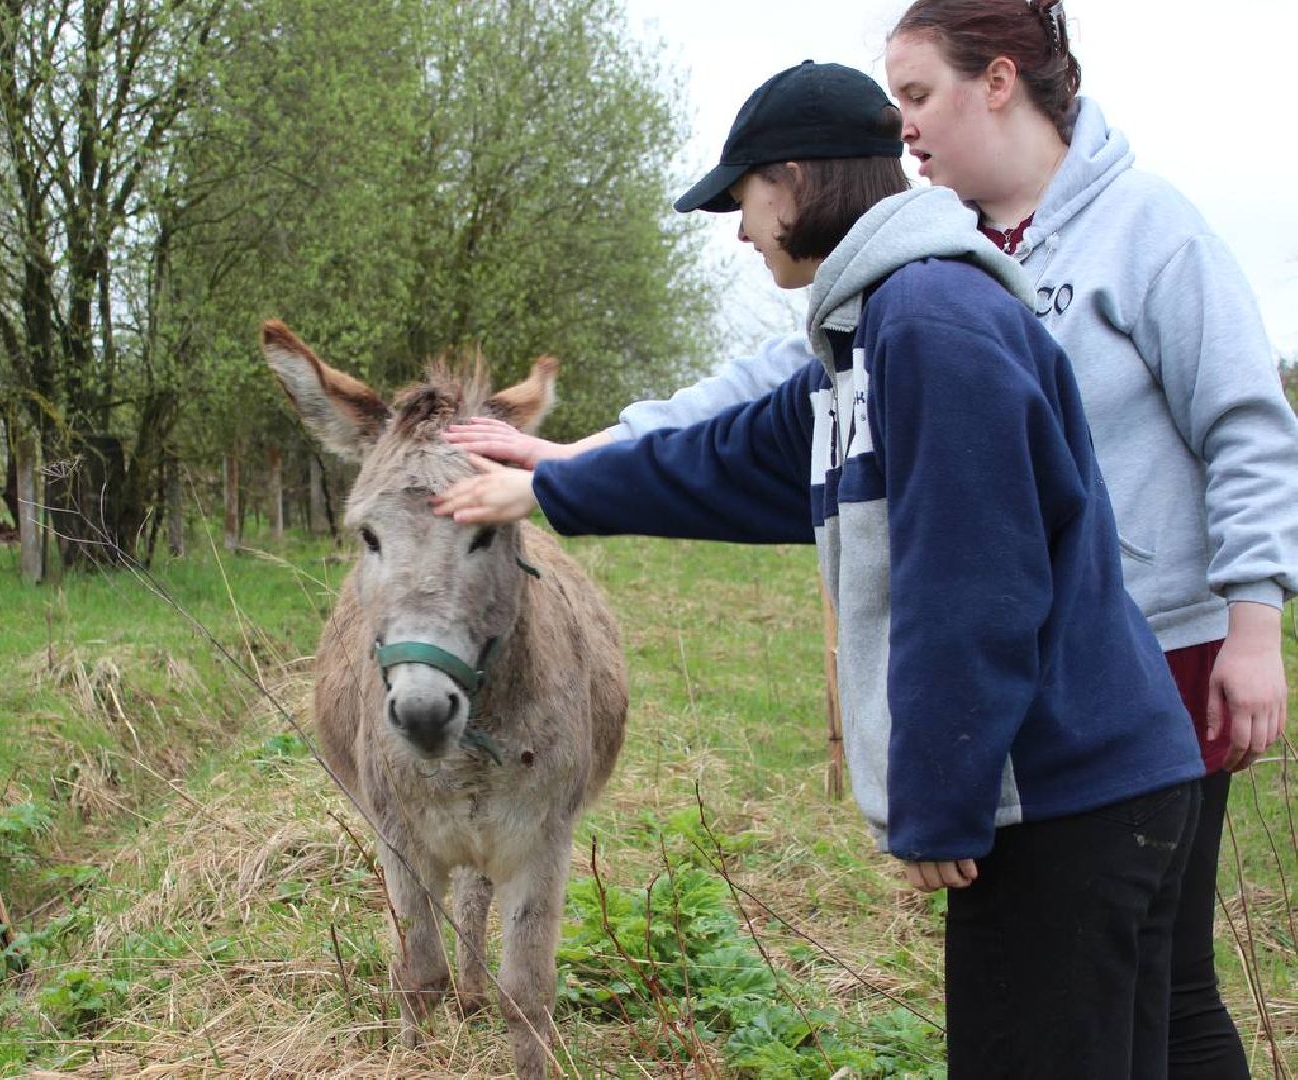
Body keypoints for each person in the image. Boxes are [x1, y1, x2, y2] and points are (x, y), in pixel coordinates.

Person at [446, 5, 1298, 1073]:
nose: (739, 229)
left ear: (796, 182)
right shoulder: (875, 328)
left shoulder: (931, 324)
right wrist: (557, 483)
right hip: (1070, 783)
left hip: (1068, 790)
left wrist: (939, 805)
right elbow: (741, 457)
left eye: (742, 197)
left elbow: (971, 582)